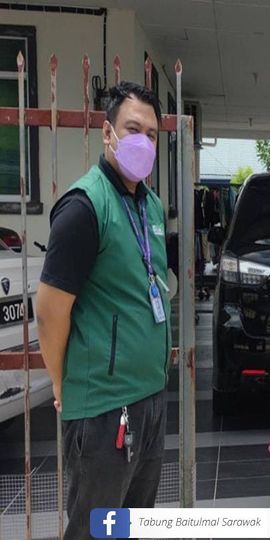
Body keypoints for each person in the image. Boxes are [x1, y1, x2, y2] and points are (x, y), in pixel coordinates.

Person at [36, 81, 171, 539]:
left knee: (135, 524)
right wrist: (62, 381)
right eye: (133, 129)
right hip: (104, 409)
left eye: (152, 134)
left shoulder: (149, 205)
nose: (143, 142)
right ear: (107, 132)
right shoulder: (84, 206)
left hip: (149, 399)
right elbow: (50, 310)